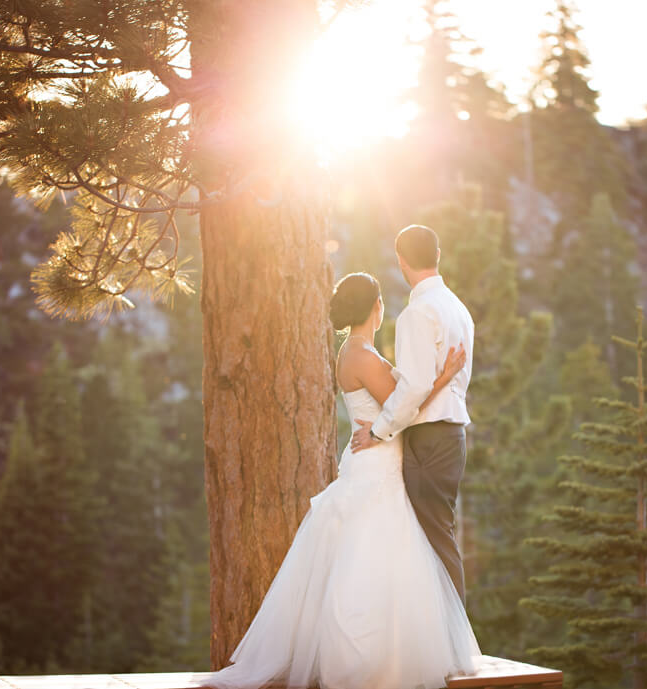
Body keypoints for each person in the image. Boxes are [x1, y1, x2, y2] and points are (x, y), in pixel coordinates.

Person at [205, 269, 481, 689]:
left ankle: (387, 656)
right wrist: (444, 377)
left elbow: (398, 403)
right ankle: (366, 662)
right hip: (375, 469)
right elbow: (404, 407)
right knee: (370, 560)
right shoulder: (360, 355)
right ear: (377, 307)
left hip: (380, 463)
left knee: (382, 561)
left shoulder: (358, 351)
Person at [350, 224, 475, 604]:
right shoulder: (458, 308)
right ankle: (448, 641)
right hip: (452, 435)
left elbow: (415, 386)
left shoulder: (417, 313)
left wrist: (379, 431)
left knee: (430, 540)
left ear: (402, 262)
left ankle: (452, 643)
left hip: (428, 436)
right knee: (438, 534)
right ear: (436, 256)